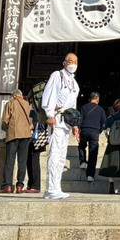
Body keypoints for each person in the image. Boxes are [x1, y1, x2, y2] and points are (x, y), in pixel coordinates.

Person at [41, 52, 80, 200]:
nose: (73, 64)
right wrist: (50, 114)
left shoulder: (74, 83)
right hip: (57, 118)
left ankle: (56, 186)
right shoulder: (57, 76)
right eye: (70, 61)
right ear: (64, 63)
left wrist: (75, 124)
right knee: (55, 153)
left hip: (67, 122)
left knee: (62, 156)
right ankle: (51, 188)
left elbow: (73, 105)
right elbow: (50, 94)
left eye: (75, 62)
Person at [0, 88, 33, 193]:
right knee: (22, 161)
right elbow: (31, 120)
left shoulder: (10, 103)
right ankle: (20, 185)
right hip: (26, 134)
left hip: (13, 134)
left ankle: (7, 185)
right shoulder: (27, 104)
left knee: (10, 161)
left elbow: (5, 119)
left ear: (13, 96)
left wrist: (7, 127)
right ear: (20, 95)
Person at [99, 98, 120, 194]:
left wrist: (109, 137)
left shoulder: (110, 118)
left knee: (111, 164)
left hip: (112, 144)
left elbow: (104, 129)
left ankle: (111, 187)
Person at [78, 92, 108, 182]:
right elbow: (104, 123)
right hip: (95, 131)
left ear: (89, 99)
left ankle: (83, 162)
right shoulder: (101, 109)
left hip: (84, 130)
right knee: (93, 153)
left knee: (81, 145)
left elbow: (80, 120)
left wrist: (78, 129)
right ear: (98, 100)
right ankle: (90, 175)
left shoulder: (84, 107)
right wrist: (99, 131)